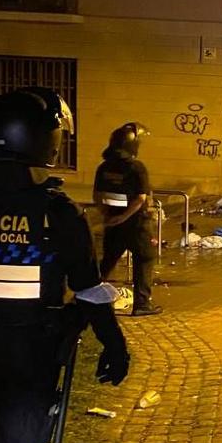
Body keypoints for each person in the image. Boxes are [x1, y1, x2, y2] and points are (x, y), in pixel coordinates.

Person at [0, 88, 130, 443]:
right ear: (42, 140)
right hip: (27, 365)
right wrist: (114, 344)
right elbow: (88, 290)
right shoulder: (54, 213)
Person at [93, 122, 161, 316]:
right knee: (145, 259)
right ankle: (141, 304)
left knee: (107, 262)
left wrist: (108, 215)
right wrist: (124, 217)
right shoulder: (136, 168)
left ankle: (86, 297)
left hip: (113, 222)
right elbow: (141, 198)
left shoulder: (104, 167)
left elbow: (97, 195)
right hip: (136, 224)